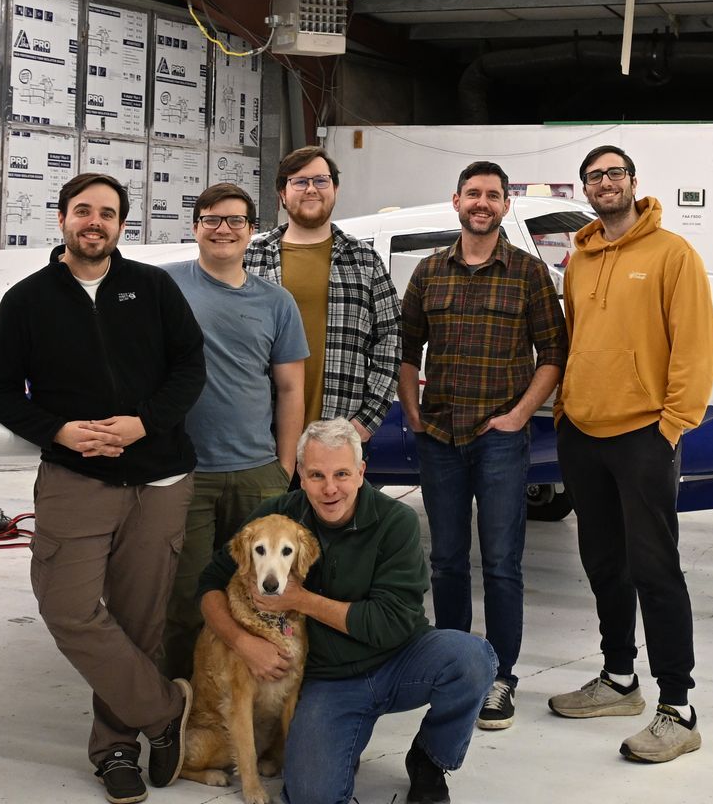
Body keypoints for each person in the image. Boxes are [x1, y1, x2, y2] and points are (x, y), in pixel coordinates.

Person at [0, 172, 205, 804]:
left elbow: (192, 365)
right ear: (61, 220)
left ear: (120, 227)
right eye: (84, 211)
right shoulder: (27, 301)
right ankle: (163, 712)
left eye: (108, 213)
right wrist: (59, 432)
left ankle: (113, 749)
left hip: (160, 477)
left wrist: (144, 423)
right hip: (76, 478)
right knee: (68, 608)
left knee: (138, 624)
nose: (95, 222)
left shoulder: (153, 287)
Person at [197, 419, 496, 804]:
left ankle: (429, 759)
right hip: (329, 682)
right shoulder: (277, 519)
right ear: (301, 477)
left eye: (341, 473)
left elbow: (389, 623)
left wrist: (301, 600)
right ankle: (341, 744)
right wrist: (241, 642)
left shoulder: (396, 523)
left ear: (361, 473)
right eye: (317, 475)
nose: (330, 488)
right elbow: (209, 584)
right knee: (312, 795)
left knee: (472, 659)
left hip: (400, 660)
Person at [546, 145, 713, 765]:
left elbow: (696, 347)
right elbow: (574, 341)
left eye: (615, 173)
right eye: (594, 176)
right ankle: (619, 680)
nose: (605, 183)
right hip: (583, 433)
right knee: (603, 563)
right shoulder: (579, 259)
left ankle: (679, 709)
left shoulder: (673, 255)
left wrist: (672, 426)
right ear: (585, 189)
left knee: (656, 570)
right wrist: (565, 409)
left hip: (644, 434)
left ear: (634, 183)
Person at [398, 160, 567, 731]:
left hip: (499, 439)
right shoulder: (428, 273)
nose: (482, 203)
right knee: (445, 562)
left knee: (501, 564)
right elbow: (406, 348)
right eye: (473, 193)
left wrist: (520, 415)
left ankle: (500, 677)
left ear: (505, 207)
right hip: (441, 437)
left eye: (493, 195)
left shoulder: (527, 274)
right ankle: (453, 667)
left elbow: (554, 354)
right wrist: (414, 411)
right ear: (456, 201)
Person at [160, 182, 308, 682]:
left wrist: (283, 468)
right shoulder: (164, 287)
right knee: (186, 598)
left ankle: (255, 694)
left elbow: (291, 389)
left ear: (252, 231)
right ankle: (180, 704)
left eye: (235, 221)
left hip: (257, 475)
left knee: (263, 596)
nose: (223, 229)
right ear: (196, 226)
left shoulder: (277, 302)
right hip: (185, 474)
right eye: (212, 219)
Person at [244, 147, 399, 443]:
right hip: (260, 436)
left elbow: (389, 341)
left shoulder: (364, 260)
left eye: (321, 181)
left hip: (339, 436)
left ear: (335, 189)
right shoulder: (252, 257)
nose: (311, 189)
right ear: (282, 194)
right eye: (300, 182)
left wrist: (365, 422)